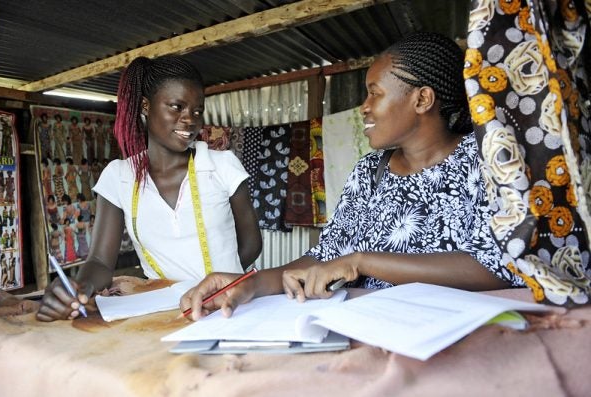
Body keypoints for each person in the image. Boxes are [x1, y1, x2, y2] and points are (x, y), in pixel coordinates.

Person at [180, 32, 525, 321]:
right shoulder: (370, 172)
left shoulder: (486, 162)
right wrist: (248, 284)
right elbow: (325, 257)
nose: (363, 106)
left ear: (422, 99)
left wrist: (361, 262)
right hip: (370, 329)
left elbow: (498, 267)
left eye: (374, 92)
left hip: (454, 337)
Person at [37, 54, 262, 321]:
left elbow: (252, 243)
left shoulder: (222, 166)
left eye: (197, 110)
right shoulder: (119, 177)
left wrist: (219, 282)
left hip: (229, 306)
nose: (189, 119)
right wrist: (78, 288)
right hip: (164, 312)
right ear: (146, 106)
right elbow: (99, 261)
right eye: (176, 106)